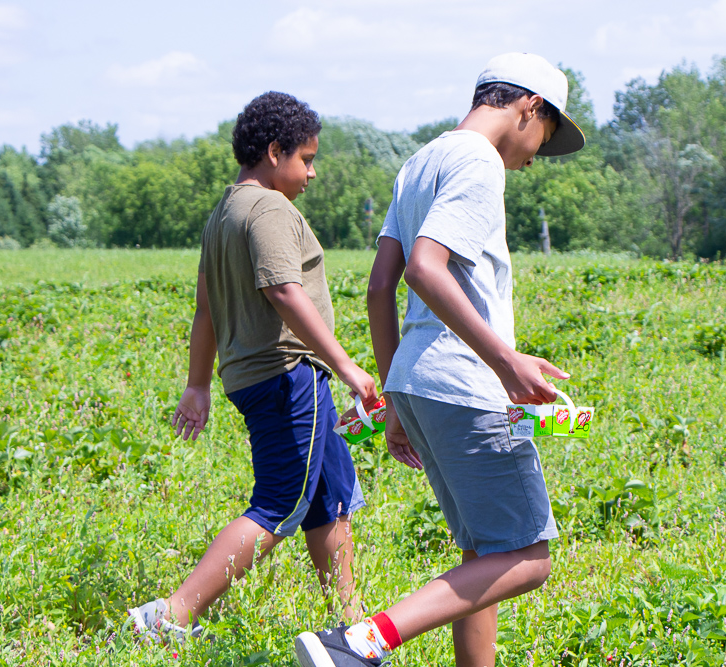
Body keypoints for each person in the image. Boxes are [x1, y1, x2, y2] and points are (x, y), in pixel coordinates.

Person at [293, 52, 586, 667]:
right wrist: (506, 362)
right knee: (529, 558)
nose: (533, 158)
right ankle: (359, 643)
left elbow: (381, 287)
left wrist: (397, 395)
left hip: (422, 382)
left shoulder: (421, 161)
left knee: (487, 552)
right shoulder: (480, 163)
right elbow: (426, 269)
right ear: (529, 108)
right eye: (544, 138)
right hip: (465, 380)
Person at [128, 91, 378, 642]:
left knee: (330, 496)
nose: (311, 173)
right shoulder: (267, 208)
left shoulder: (224, 211)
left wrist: (198, 384)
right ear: (273, 151)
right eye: (306, 159)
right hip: (289, 374)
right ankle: (171, 615)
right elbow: (285, 290)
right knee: (277, 504)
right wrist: (346, 365)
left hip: (259, 375)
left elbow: (205, 307)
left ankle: (351, 620)